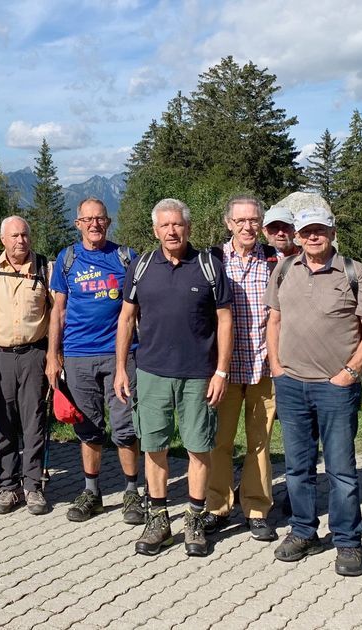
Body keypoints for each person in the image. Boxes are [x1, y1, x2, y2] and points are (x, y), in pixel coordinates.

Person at [266, 206, 362, 577]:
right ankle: (303, 532)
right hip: (291, 385)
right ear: (297, 236)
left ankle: (348, 542)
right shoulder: (284, 269)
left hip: (335, 388)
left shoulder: (354, 273)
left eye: (321, 230)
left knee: (341, 471)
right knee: (298, 469)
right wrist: (276, 368)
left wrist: (348, 374)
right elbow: (274, 320)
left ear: (332, 232)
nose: (313, 236)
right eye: (307, 231)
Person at [113, 199, 232, 557]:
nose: (171, 231)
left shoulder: (209, 266)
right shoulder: (142, 266)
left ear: (188, 227)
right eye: (164, 226)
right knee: (154, 447)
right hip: (151, 373)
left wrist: (221, 370)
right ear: (155, 231)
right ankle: (159, 518)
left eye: (177, 224)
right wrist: (121, 368)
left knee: (198, 447)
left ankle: (194, 519)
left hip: (199, 375)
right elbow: (125, 318)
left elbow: (226, 320)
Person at [46, 197, 144, 526]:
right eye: (87, 220)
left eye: (99, 219)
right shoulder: (67, 259)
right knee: (87, 428)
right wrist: (52, 355)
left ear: (108, 222)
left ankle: (132, 492)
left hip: (121, 356)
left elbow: (140, 307)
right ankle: (92, 493)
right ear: (78, 224)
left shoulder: (125, 257)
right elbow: (57, 311)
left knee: (126, 428)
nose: (94, 225)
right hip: (77, 355)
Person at [205, 197, 279, 542]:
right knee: (218, 442)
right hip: (224, 369)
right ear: (228, 223)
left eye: (254, 220)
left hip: (264, 367)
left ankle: (256, 508)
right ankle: (217, 507)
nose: (248, 226)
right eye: (241, 220)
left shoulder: (274, 260)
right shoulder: (213, 260)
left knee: (260, 442)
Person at [0, 216, 52, 515]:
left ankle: (33, 486)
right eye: (14, 236)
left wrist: (55, 354)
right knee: (4, 421)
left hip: (35, 353)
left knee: (34, 421)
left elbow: (57, 312)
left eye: (24, 234)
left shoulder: (44, 268)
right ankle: (9, 486)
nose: (20, 240)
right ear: (2, 239)